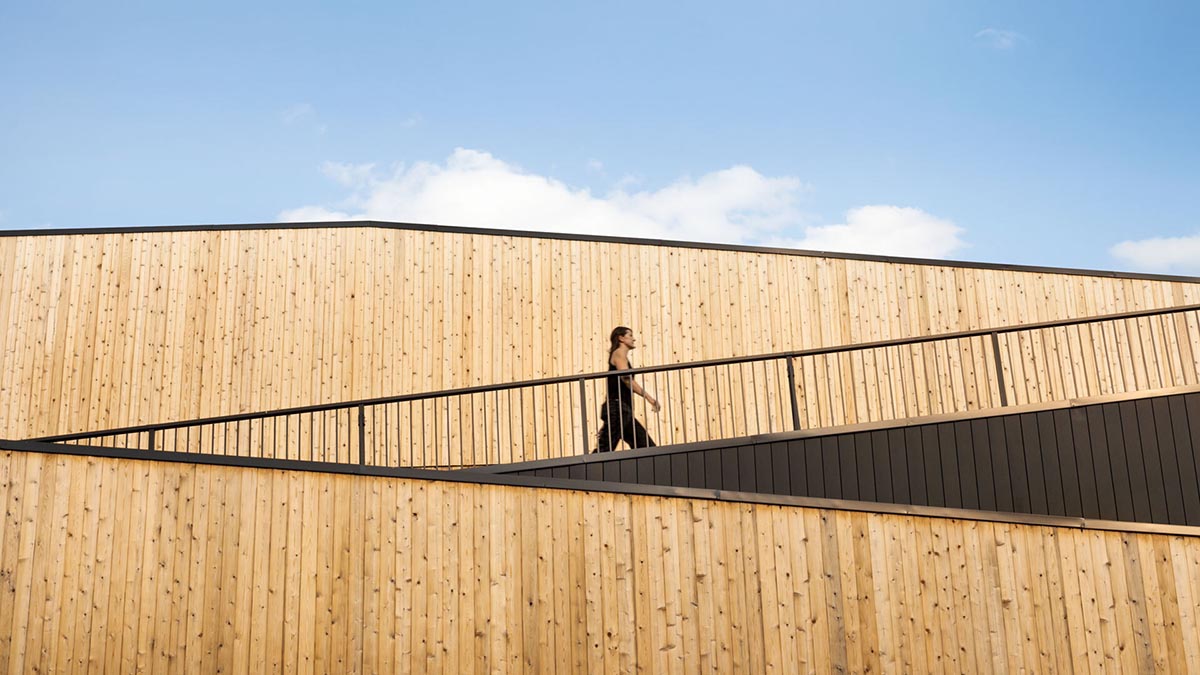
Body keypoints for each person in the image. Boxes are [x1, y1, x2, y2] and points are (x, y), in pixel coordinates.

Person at [594, 326, 661, 452]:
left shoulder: (620, 355)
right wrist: (649, 398)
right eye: (630, 335)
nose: (633, 339)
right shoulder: (619, 354)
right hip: (618, 410)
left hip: (622, 411)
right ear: (621, 338)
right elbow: (627, 380)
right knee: (604, 450)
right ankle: (589, 470)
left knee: (645, 445)